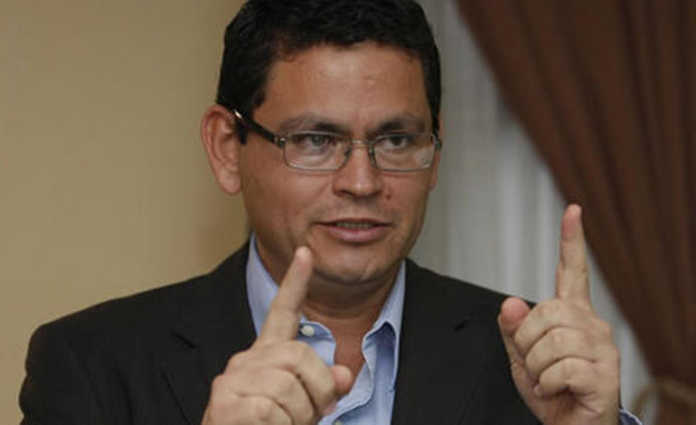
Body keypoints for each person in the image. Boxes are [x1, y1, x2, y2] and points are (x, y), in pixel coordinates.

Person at [19, 1, 640, 424]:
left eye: (396, 139)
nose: (362, 182)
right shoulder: (92, 365)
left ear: (435, 147)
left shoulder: (531, 366)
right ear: (227, 148)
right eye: (316, 141)